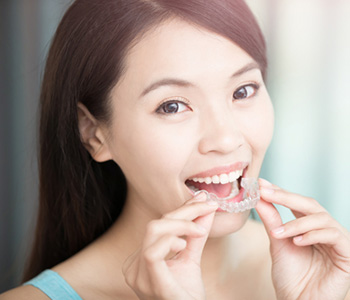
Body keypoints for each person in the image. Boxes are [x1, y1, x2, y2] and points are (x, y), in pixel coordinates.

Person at [1, 0, 350, 299]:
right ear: (95, 134)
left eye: (243, 91)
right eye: (172, 106)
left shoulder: (331, 278)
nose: (227, 140)